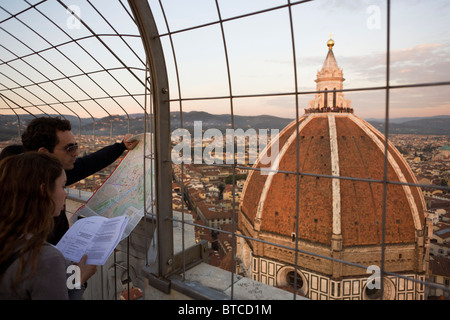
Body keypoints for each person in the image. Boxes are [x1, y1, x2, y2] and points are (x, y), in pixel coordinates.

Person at [21, 116, 139, 244]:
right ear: (44, 153)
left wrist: (121, 146)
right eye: (69, 148)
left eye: (76, 146)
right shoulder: (20, 199)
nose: (76, 153)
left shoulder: (45, 175)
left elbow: (89, 163)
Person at [0, 152, 95, 299]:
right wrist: (78, 280)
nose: (65, 194)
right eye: (63, 186)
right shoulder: (44, 259)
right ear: (43, 191)